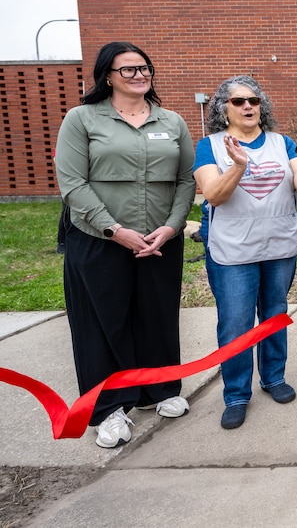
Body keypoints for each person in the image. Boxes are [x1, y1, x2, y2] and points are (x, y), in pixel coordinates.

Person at [55, 41, 196, 448]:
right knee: (102, 324)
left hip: (159, 241)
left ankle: (161, 390)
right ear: (107, 76)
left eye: (144, 68)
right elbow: (73, 184)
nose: (139, 75)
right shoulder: (82, 119)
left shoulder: (171, 121)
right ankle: (108, 409)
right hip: (100, 241)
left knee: (157, 316)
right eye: (129, 70)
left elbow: (186, 180)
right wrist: (115, 230)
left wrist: (170, 229)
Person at [193, 76, 297, 430]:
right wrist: (238, 165)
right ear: (224, 109)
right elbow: (214, 196)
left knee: (274, 314)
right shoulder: (209, 146)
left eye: (253, 100)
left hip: (278, 247)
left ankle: (273, 378)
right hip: (233, 252)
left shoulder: (282, 143)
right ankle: (236, 394)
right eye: (238, 101)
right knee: (236, 324)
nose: (248, 106)